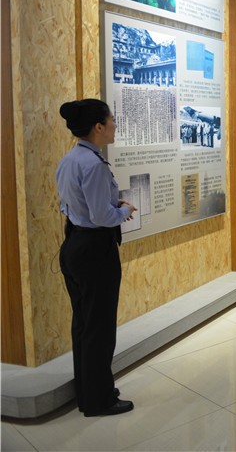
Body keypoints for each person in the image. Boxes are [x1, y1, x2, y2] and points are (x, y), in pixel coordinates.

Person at [56, 99, 137, 417]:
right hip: (95, 251)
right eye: (111, 120)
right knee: (100, 328)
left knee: (84, 324)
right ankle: (99, 400)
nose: (115, 125)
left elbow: (71, 204)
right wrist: (123, 210)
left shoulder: (71, 159)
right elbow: (102, 216)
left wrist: (110, 206)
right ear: (99, 127)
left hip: (74, 245)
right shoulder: (94, 165)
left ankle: (88, 392)